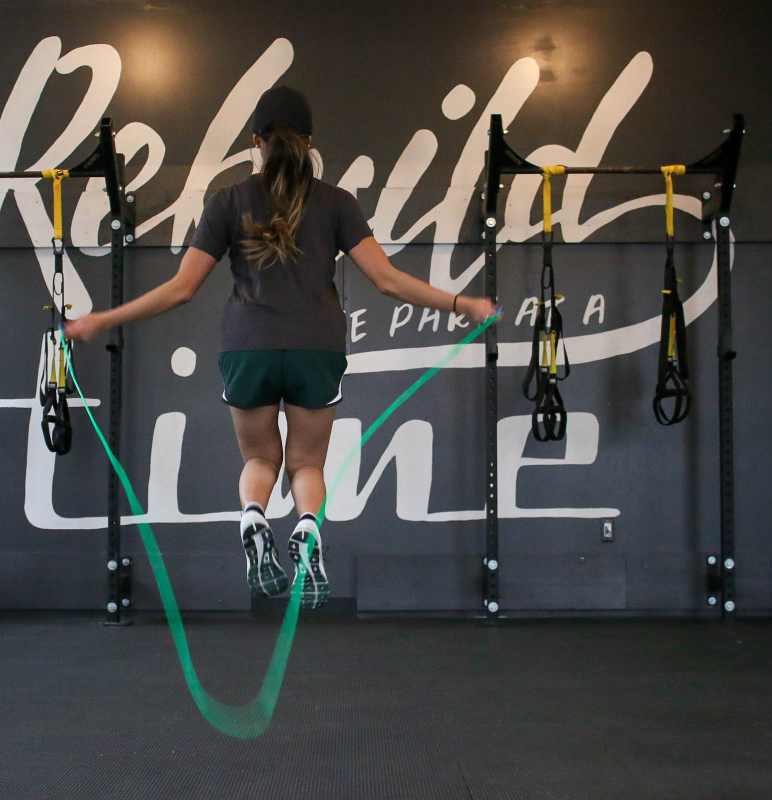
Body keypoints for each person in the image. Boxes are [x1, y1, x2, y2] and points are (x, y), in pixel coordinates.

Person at [65, 87, 497, 608]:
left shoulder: (228, 202)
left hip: (248, 349)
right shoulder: (337, 203)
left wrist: (103, 319)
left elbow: (181, 290)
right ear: (309, 143)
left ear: (256, 142)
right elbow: (387, 281)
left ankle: (253, 518)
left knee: (258, 458)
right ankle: (307, 529)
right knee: (307, 464)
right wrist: (461, 303)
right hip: (317, 348)